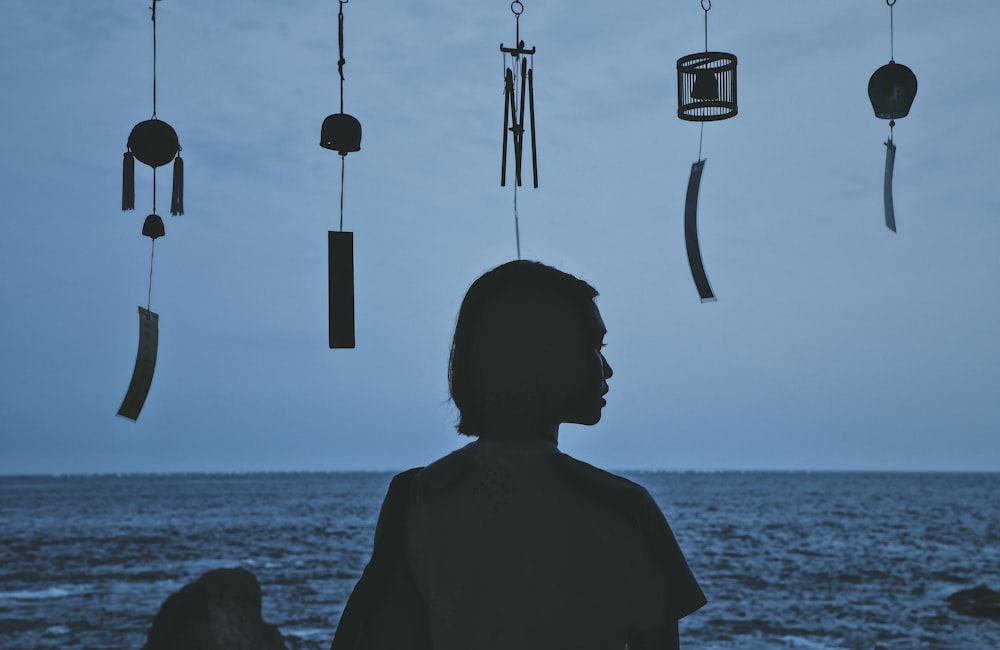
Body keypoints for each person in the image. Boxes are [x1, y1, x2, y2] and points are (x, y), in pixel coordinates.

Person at [331, 260, 705, 650]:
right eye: (594, 346)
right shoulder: (625, 508)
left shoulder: (419, 499)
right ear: (543, 358)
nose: (607, 368)